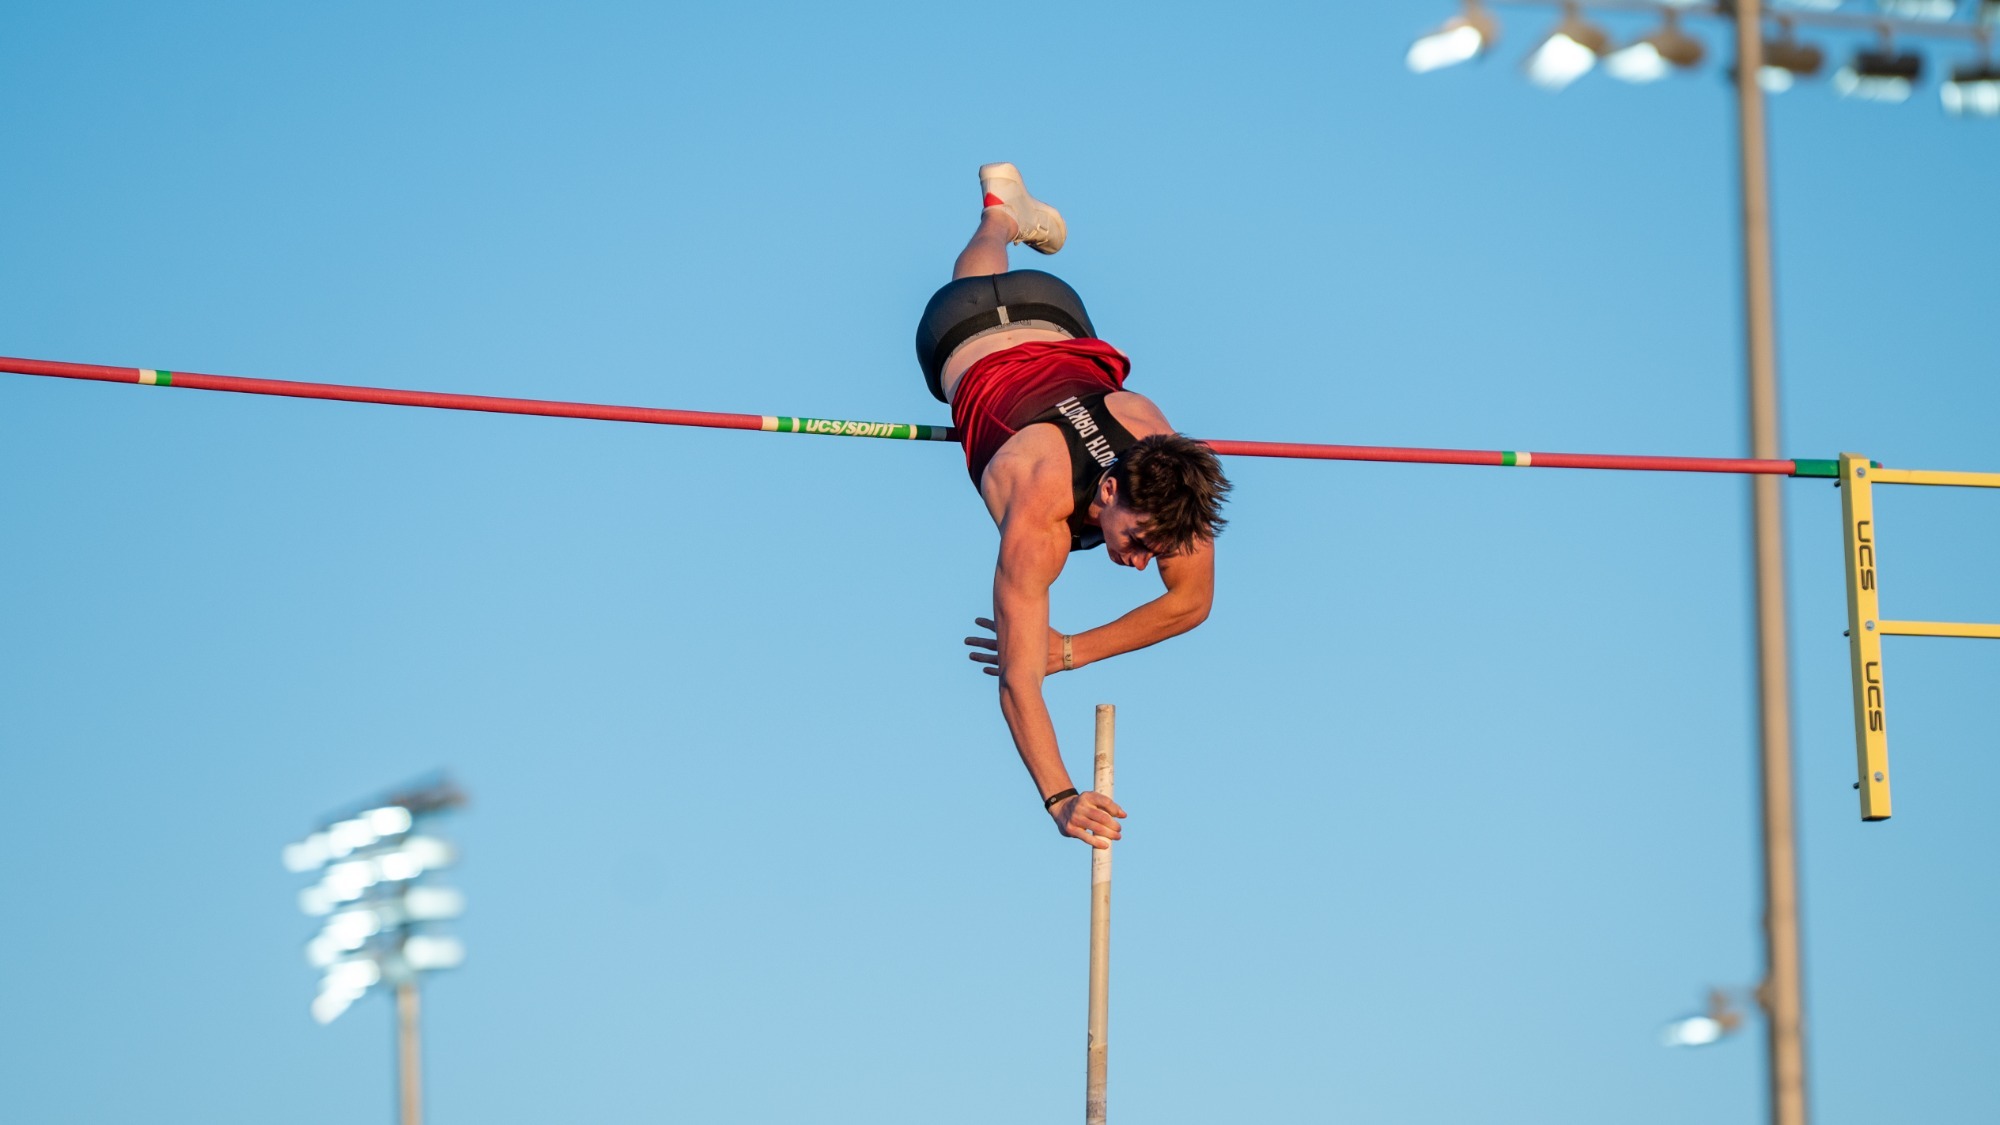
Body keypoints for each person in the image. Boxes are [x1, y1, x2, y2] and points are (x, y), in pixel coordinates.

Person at [917, 163, 1232, 850]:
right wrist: (1061, 797)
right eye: (1139, 541)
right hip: (965, 335)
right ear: (1110, 489)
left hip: (1047, 306)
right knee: (970, 301)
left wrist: (1072, 649)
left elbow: (1192, 602)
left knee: (978, 285)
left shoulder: (1170, 480)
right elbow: (1017, 680)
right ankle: (999, 214)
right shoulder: (1040, 518)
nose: (1142, 561)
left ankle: (1000, 217)